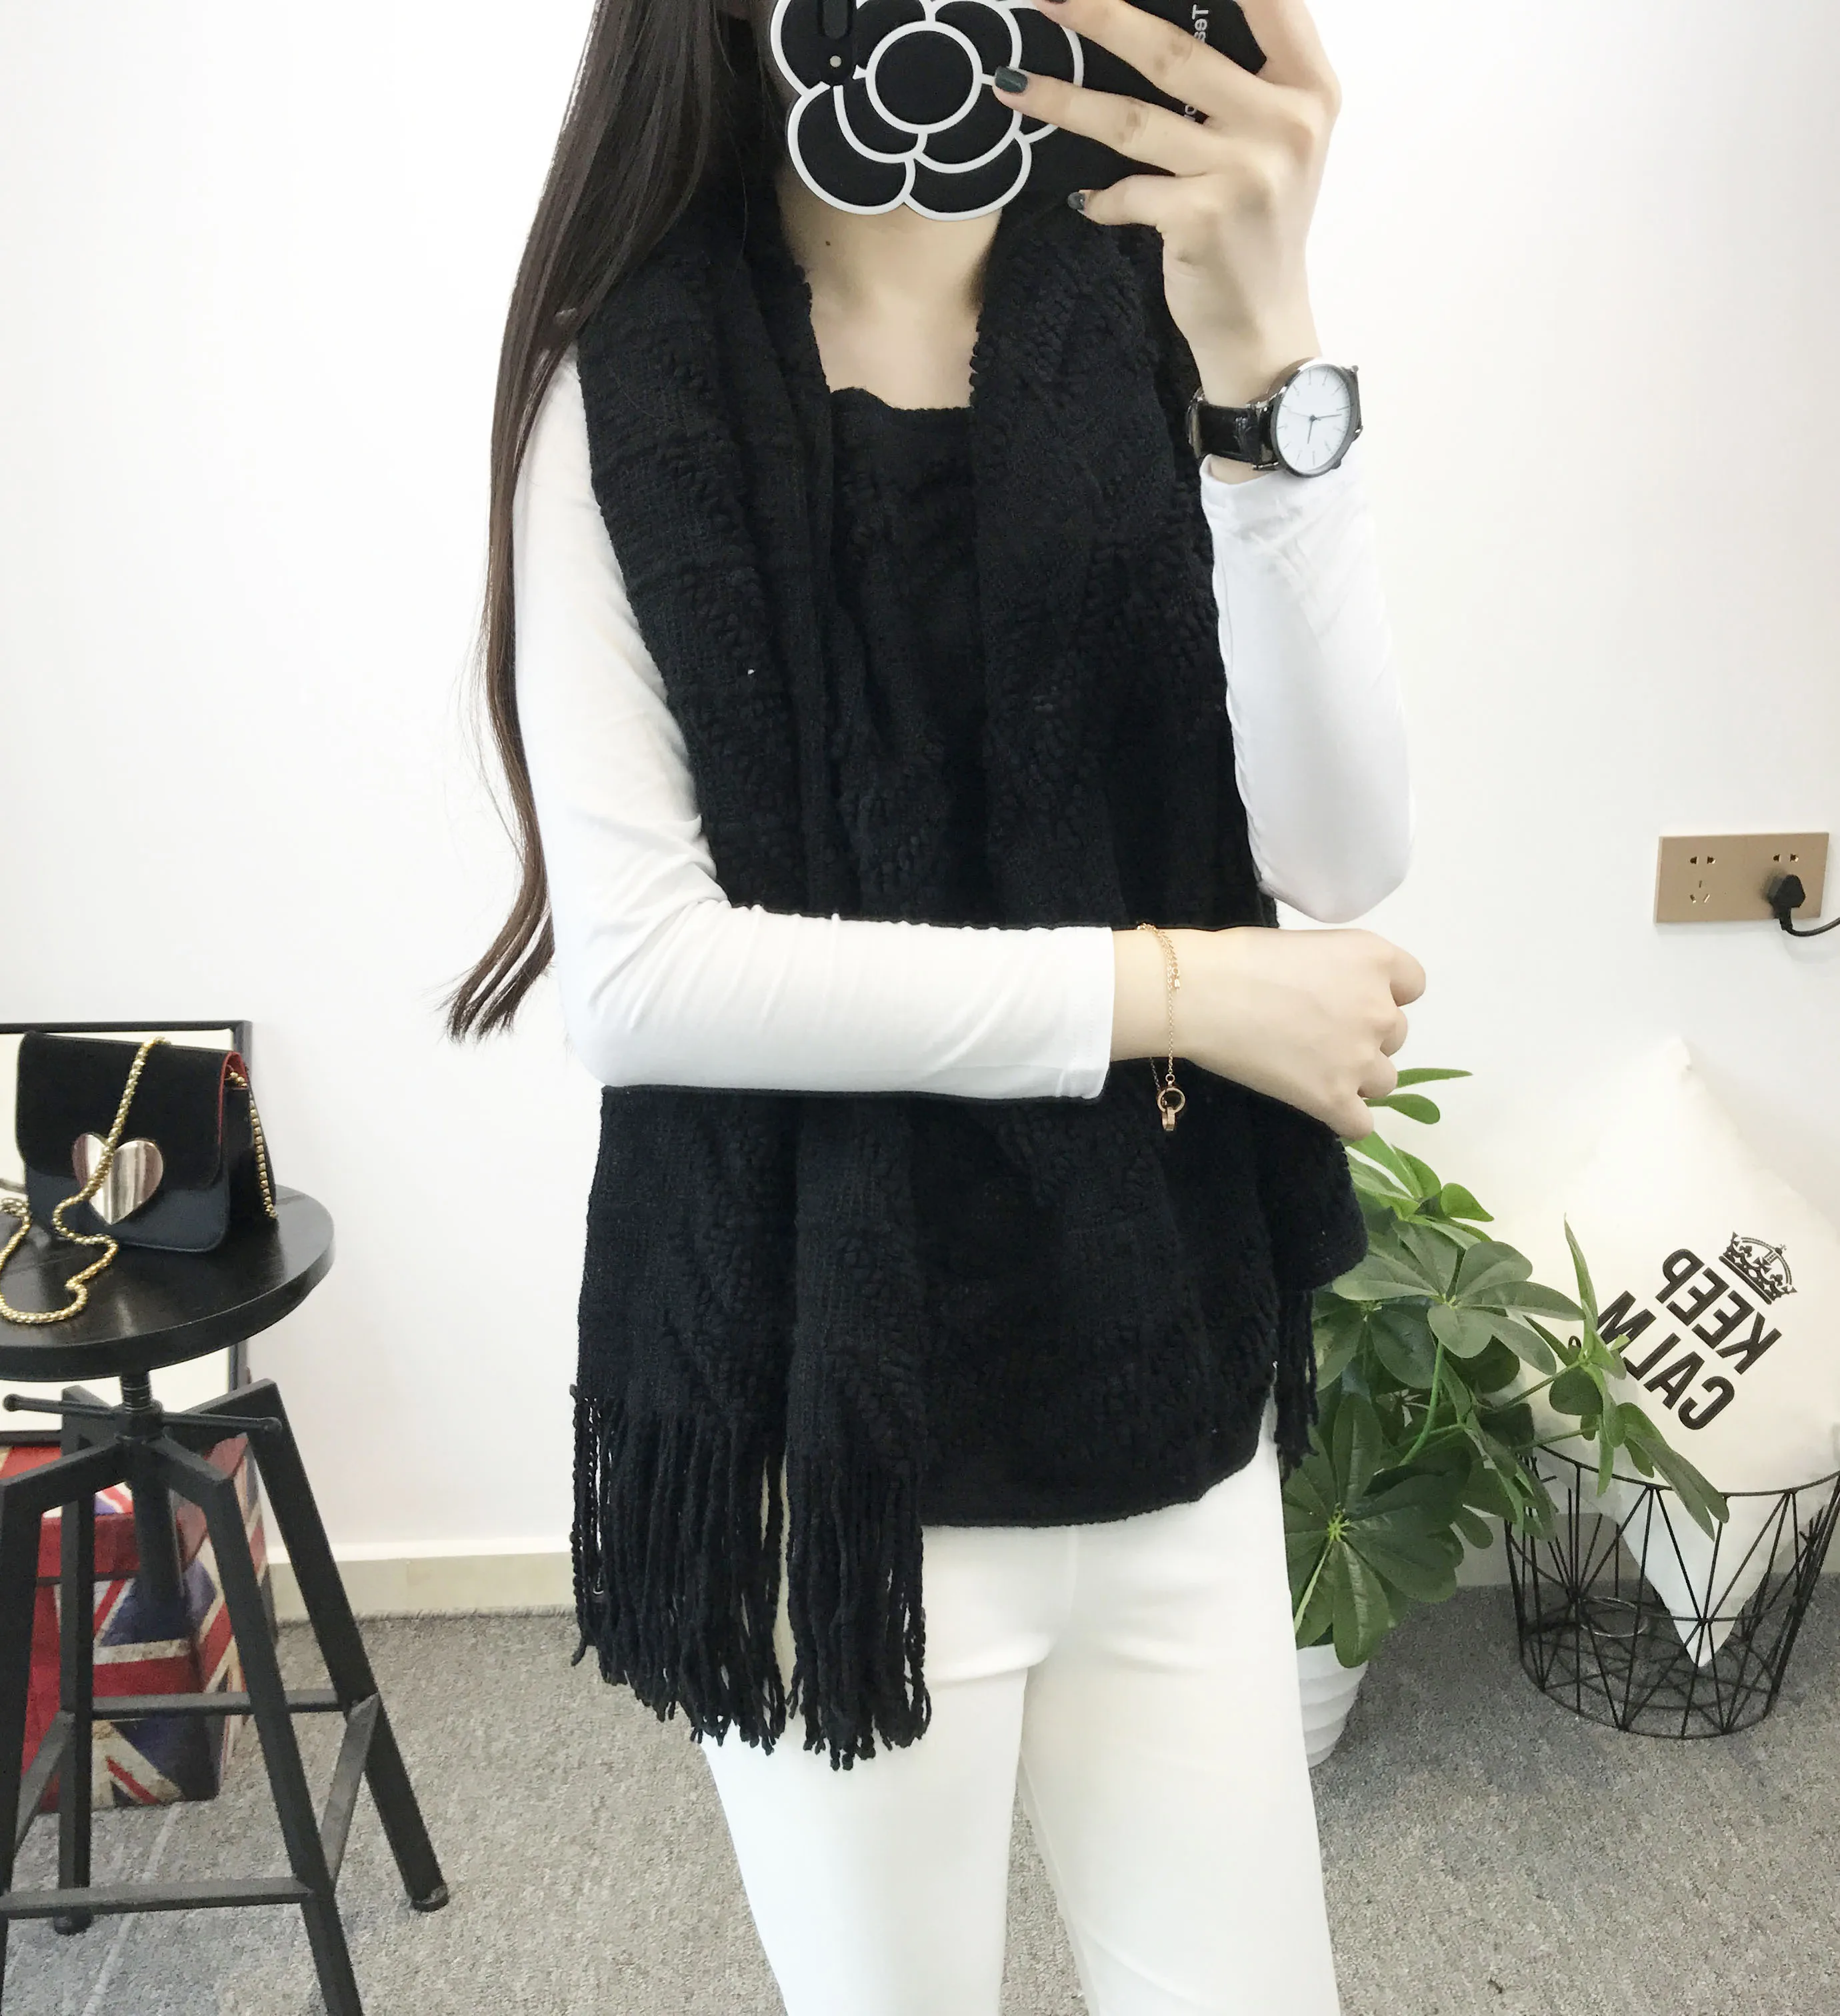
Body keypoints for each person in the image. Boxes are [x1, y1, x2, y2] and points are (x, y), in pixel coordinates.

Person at [451, 0, 1423, 2008]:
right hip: (824, 1414)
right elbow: (645, 975)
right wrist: (1179, 992)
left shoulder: (1143, 305)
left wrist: (1268, 348)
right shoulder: (629, 383)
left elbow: (1339, 854)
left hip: (1159, 1361)